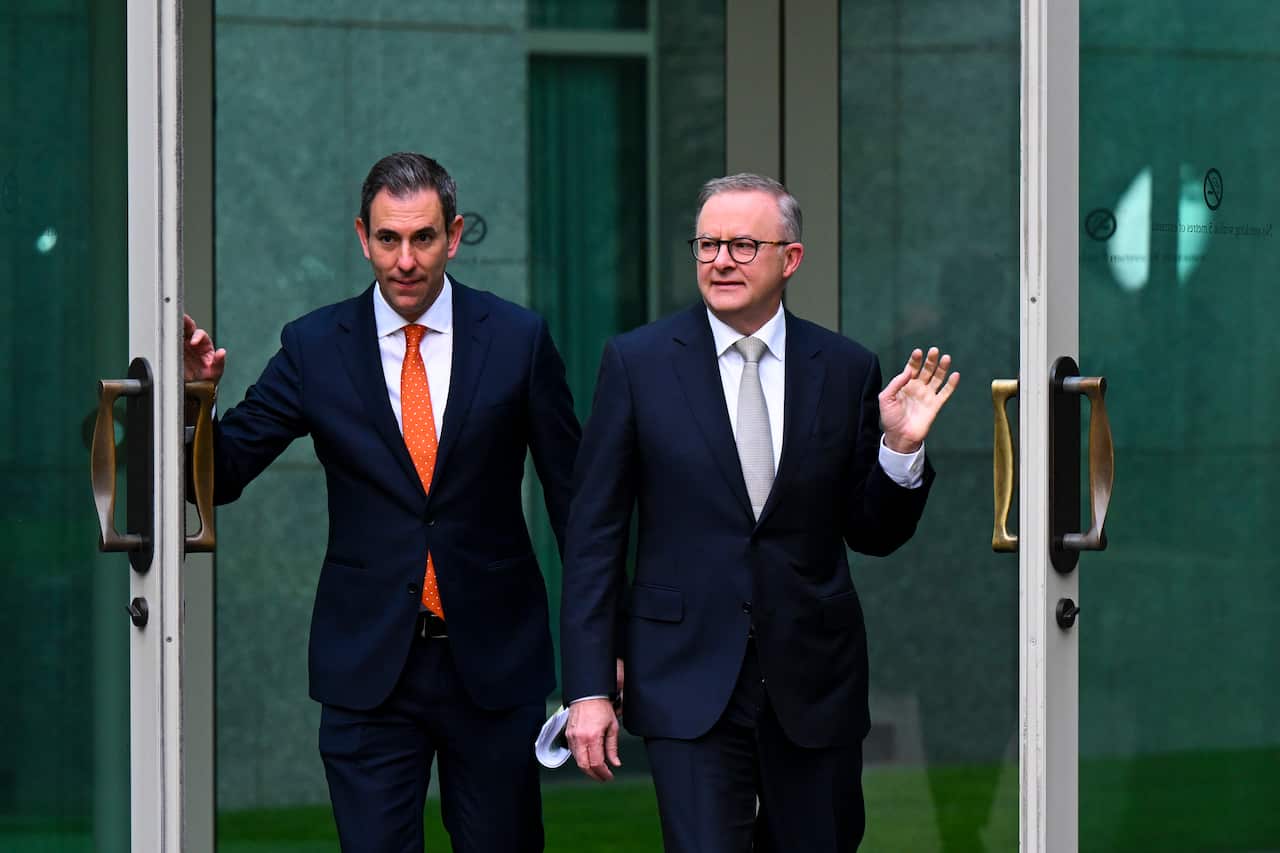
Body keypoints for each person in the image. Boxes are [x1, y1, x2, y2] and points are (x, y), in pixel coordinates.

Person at [183, 152, 580, 852]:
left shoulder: (518, 340)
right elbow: (223, 473)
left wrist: (597, 646)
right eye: (388, 239)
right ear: (362, 237)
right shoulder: (314, 348)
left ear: (453, 236)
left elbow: (575, 504)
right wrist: (196, 399)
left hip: (492, 661)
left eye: (423, 237)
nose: (405, 259)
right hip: (368, 668)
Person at [559, 173, 959, 852]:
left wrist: (900, 448)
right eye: (708, 244)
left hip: (813, 678)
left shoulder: (845, 368)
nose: (720, 260)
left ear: (790, 258)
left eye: (743, 245)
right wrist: (589, 687)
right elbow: (594, 534)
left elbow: (873, 531)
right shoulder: (638, 363)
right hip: (684, 673)